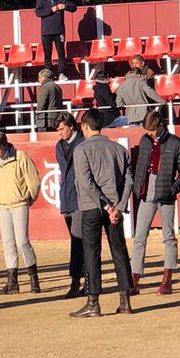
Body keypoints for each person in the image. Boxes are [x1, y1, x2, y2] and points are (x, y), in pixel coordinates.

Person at [69, 108, 134, 317]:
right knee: (119, 251)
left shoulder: (81, 150)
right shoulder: (119, 149)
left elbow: (86, 182)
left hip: (91, 207)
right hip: (115, 207)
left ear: (85, 126)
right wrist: (119, 206)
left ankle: (93, 303)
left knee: (91, 253)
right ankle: (125, 302)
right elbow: (129, 181)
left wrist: (106, 206)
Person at [129, 111, 180, 296]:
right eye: (147, 130)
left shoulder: (175, 143)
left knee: (169, 237)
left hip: (166, 196)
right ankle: (135, 279)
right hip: (147, 194)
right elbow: (140, 167)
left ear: (160, 126)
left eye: (152, 130)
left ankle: (167, 279)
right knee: (139, 237)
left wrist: (172, 190)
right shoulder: (145, 141)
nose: (150, 133)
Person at [0, 130, 41, 294]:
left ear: (5, 145)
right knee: (8, 243)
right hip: (3, 204)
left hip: (19, 204)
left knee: (22, 241)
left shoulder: (20, 157)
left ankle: (34, 280)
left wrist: (29, 199)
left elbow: (34, 180)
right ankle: (12, 282)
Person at [54, 113, 85, 298]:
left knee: (79, 241)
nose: (60, 133)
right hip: (67, 198)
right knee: (76, 241)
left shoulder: (82, 142)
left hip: (81, 198)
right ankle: (79, 281)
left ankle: (79, 282)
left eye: (61, 129)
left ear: (71, 126)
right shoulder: (59, 146)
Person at [34, 0, 76, 79]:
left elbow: (74, 7)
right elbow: (38, 13)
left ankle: (62, 73)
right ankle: (48, 73)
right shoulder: (41, 0)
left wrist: (65, 6)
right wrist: (50, 10)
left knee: (61, 52)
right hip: (46, 32)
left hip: (59, 31)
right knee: (47, 54)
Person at [112, 58, 161, 127]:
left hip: (145, 99)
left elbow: (148, 86)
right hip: (132, 100)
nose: (134, 65)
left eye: (137, 63)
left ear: (142, 63)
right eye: (133, 63)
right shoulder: (129, 73)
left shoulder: (149, 72)